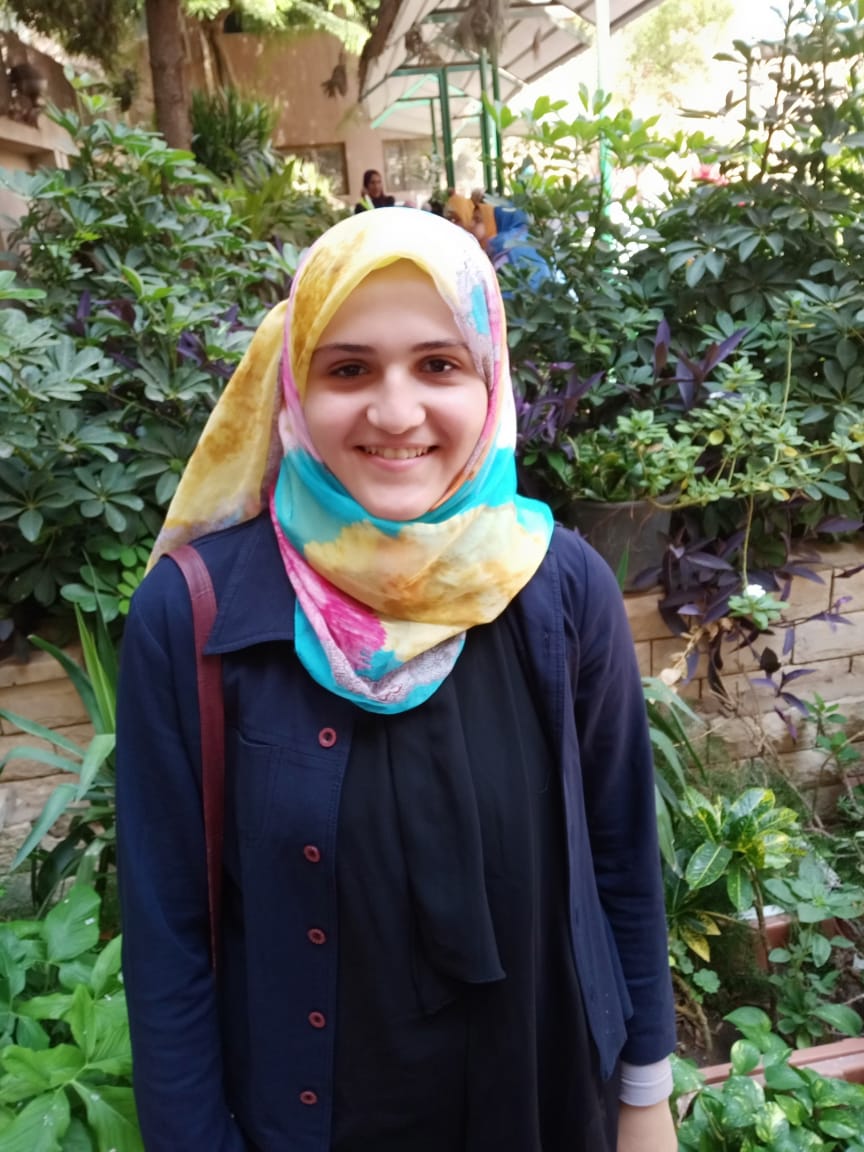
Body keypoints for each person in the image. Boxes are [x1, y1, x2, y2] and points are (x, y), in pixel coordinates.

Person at [116, 207, 678, 1152]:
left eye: (438, 365)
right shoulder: (195, 614)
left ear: (489, 378)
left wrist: (646, 1097)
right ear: (294, 384)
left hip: (541, 1106)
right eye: (348, 369)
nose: (395, 412)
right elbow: (167, 933)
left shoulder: (560, 588)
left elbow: (623, 856)